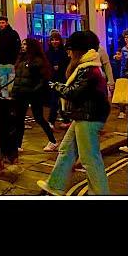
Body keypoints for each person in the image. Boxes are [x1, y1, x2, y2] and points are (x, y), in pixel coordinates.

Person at [37, 31, 110, 196]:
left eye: (70, 49)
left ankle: (100, 193)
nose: (67, 52)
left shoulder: (89, 70)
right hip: (83, 115)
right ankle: (55, 185)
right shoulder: (86, 68)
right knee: (66, 150)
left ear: (78, 50)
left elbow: (73, 92)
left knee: (89, 158)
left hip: (89, 118)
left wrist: (54, 86)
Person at [13, 38, 58, 152]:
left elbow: (43, 79)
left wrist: (34, 90)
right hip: (21, 93)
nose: (22, 46)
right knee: (19, 119)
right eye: (22, 44)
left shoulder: (38, 61)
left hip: (33, 94)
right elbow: (18, 78)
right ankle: (18, 144)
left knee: (39, 118)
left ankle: (53, 141)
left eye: (25, 44)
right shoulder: (21, 60)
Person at [46, 30, 71, 128]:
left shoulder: (64, 52)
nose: (54, 42)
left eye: (56, 40)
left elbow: (67, 65)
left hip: (62, 79)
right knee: (54, 100)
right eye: (52, 40)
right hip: (53, 79)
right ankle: (52, 121)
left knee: (62, 101)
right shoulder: (48, 52)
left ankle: (65, 119)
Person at [0, 16, 21, 99]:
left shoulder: (13, 34)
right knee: (3, 83)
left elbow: (17, 48)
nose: (1, 24)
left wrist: (15, 60)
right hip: (1, 63)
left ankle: (10, 99)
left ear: (7, 23)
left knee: (11, 83)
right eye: (0, 23)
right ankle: (5, 100)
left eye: (3, 23)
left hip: (11, 62)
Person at [113, 29, 128, 119]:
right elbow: (121, 59)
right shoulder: (123, 49)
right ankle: (122, 111)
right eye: (125, 37)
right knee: (122, 91)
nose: (127, 39)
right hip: (123, 72)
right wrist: (117, 57)